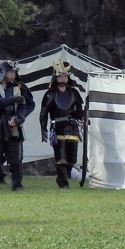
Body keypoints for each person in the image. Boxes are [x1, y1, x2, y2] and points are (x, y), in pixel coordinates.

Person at [0, 60, 35, 191]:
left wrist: (20, 116)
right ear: (2, 72)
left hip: (13, 126)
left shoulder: (19, 87)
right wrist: (14, 99)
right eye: (10, 71)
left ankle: (16, 184)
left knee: (15, 157)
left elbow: (28, 104)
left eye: (14, 72)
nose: (13, 74)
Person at [39, 61, 85, 189]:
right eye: (60, 76)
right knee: (61, 158)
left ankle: (62, 176)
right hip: (58, 128)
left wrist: (83, 118)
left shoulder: (74, 93)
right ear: (55, 77)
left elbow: (79, 111)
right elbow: (43, 114)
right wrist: (43, 130)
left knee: (71, 159)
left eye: (65, 76)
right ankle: (63, 182)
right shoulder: (50, 94)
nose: (63, 79)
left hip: (72, 128)